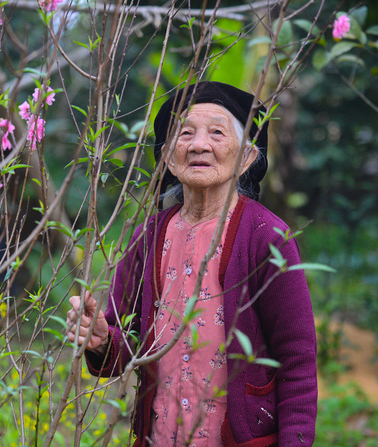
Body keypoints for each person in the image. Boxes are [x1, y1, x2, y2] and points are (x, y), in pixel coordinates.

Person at [66, 82, 317, 446]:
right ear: (168, 155)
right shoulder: (147, 237)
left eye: (217, 132)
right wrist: (103, 341)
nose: (199, 145)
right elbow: (126, 345)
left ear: (246, 156)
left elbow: (297, 359)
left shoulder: (266, 236)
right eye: (186, 133)